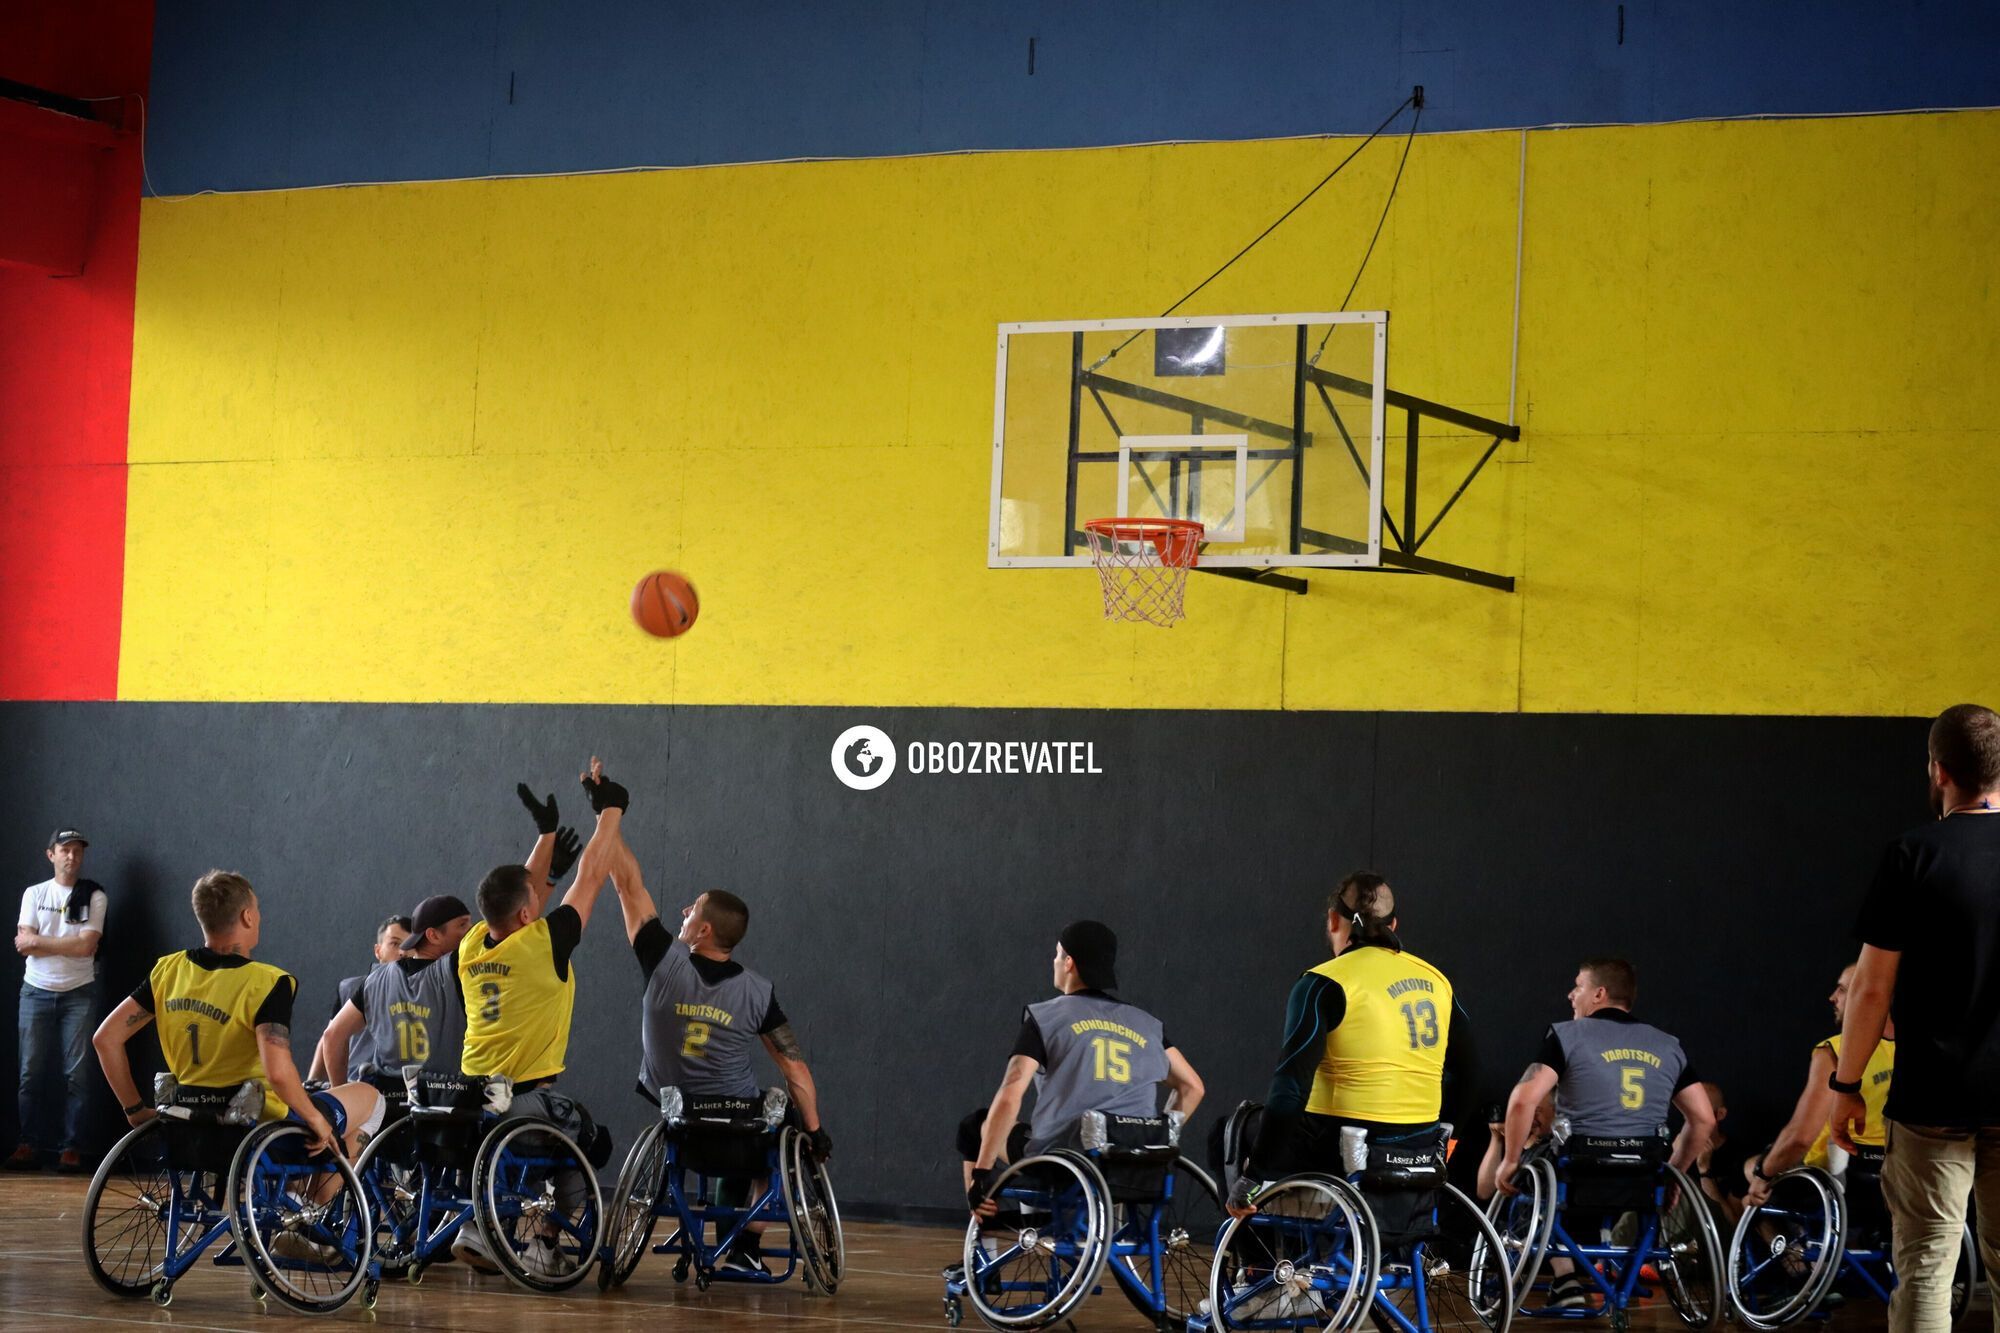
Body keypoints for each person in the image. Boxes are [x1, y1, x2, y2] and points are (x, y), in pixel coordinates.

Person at [597, 798, 830, 1274]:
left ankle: (730, 1237)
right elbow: (794, 1068)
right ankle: (744, 1242)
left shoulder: (663, 960)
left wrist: (607, 812)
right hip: (739, 1130)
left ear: (702, 930)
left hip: (677, 1115)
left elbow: (625, 882)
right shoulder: (759, 992)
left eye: (691, 909)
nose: (682, 911)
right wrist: (814, 1130)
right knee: (786, 1139)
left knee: (738, 1130)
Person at [1833, 702, 2000, 1333]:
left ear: (1938, 771)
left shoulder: (1913, 852)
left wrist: (1846, 1087)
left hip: (1933, 1098)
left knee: (1928, 1266)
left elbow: (1871, 990)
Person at [448, 771, 620, 1275]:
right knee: (587, 1137)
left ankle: (483, 1223)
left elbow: (514, 900)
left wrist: (545, 839)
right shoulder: (545, 943)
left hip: (470, 1100)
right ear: (529, 914)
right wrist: (610, 811)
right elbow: (590, 877)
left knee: (534, 1132)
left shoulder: (471, 944)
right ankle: (543, 1242)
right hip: (525, 1101)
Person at [89, 870, 383, 1165]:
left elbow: (105, 1039)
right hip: (259, 1129)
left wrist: (135, 1110)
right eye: (257, 909)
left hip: (188, 1122)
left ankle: (304, 1200)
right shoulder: (268, 981)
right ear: (247, 917)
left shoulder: (167, 970)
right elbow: (278, 1073)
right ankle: (322, 1199)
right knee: (371, 1097)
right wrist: (314, 1118)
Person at [1228, 873, 1475, 1218]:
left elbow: (1291, 1089)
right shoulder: (1437, 981)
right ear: (1393, 924)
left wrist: (1255, 1174)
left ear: (1332, 919)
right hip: (1418, 1145)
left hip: (1345, 1144)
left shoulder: (1322, 982)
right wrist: (1445, 1140)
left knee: (1235, 1127)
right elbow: (1468, 1072)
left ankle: (1253, 1264)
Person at [1497, 958, 1716, 1311]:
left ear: (1599, 993)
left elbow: (1523, 1100)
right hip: (1644, 1172)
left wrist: (1509, 1160)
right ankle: (1624, 1283)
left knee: (1527, 1178)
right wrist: (1674, 1173)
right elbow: (1704, 1119)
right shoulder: (1668, 1044)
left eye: (1578, 986)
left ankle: (1566, 1279)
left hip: (1577, 1167)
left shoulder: (1566, 1034)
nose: (1571, 994)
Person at [961, 920, 1204, 1227]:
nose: (1054, 961)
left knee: (973, 1126)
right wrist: (1154, 1141)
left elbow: (1011, 1093)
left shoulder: (1046, 1017)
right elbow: (1193, 1087)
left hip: (1064, 1163)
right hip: (1131, 1167)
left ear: (1069, 962)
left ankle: (984, 1246)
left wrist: (982, 1174)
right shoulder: (1147, 1024)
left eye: (1057, 954)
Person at [1744, 963, 1892, 1207]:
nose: (1832, 997)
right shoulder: (1918, 1050)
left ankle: (1791, 1246)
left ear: (1863, 996)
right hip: (1902, 1180)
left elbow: (1800, 1137)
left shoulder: (1835, 1050)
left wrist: (1762, 1175)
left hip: (1843, 1181)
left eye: (1842, 990)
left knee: (1753, 1171)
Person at [9, 829, 107, 1172]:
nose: (72, 856)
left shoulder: (94, 896)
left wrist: (41, 942)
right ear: (50, 854)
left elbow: (86, 947)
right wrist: (66, 943)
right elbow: (23, 945)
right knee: (29, 1072)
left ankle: (71, 1148)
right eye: (65, 850)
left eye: (78, 851)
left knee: (77, 1076)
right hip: (35, 990)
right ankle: (27, 1144)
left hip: (78, 993)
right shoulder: (34, 894)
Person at [307, 914, 410, 1083]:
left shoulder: (422, 989)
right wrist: (312, 1082)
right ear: (378, 950)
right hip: (353, 1080)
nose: (402, 952)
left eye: (409, 945)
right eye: (395, 943)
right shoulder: (349, 988)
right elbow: (329, 1036)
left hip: (401, 1085)